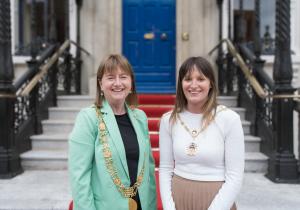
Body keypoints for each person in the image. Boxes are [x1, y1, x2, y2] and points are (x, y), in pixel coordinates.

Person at [69, 54, 157, 210]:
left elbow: (149, 169)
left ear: (131, 83)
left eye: (123, 77)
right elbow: (79, 176)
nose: (118, 83)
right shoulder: (88, 118)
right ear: (101, 84)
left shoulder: (140, 117)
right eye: (110, 78)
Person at [159, 56, 244, 210]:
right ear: (181, 84)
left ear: (210, 83)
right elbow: (165, 168)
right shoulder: (168, 120)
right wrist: (169, 207)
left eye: (200, 79)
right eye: (187, 79)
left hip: (217, 201)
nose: (194, 85)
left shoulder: (229, 119)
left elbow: (235, 176)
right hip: (179, 199)